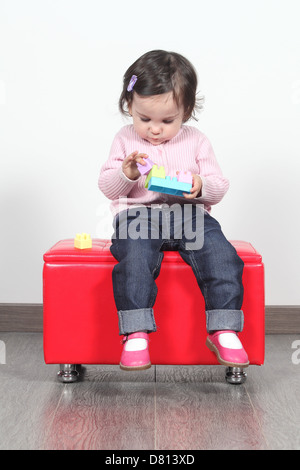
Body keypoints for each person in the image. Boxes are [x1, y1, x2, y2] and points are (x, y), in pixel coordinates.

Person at [98, 50, 249, 371]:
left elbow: (219, 186)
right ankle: (136, 331)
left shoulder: (196, 141)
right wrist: (127, 173)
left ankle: (224, 327)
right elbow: (108, 188)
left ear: (187, 111)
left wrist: (199, 185)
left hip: (190, 216)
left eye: (167, 121)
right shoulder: (125, 140)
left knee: (221, 255)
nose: (155, 129)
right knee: (135, 257)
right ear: (129, 107)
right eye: (144, 119)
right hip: (139, 216)